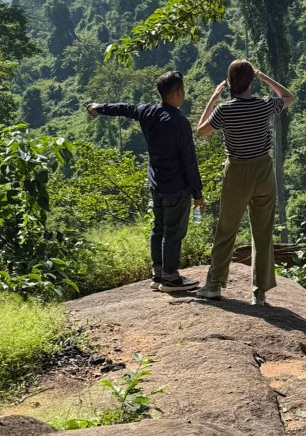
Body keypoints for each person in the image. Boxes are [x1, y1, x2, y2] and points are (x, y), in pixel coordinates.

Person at [86, 71, 204, 292]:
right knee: (173, 232)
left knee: (158, 228)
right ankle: (170, 278)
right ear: (178, 92)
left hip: (156, 184)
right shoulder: (179, 122)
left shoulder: (147, 111)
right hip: (176, 187)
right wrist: (197, 193)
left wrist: (98, 107)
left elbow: (124, 108)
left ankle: (157, 275)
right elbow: (189, 160)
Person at [194, 59, 293, 306]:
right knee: (262, 231)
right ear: (250, 81)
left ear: (229, 83)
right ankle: (259, 293)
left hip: (237, 171)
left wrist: (213, 98)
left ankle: (214, 285)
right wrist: (264, 77)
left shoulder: (225, 110)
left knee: (227, 229)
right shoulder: (265, 106)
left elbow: (201, 131)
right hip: (263, 170)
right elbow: (288, 97)